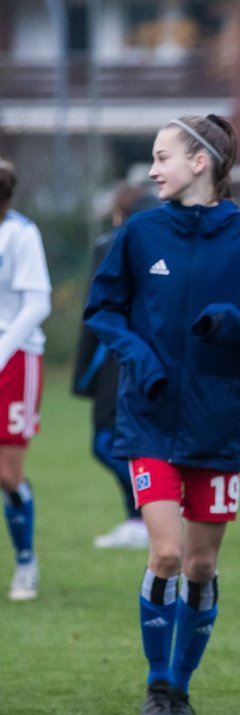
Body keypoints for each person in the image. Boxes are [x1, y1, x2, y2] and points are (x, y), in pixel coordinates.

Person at [84, 115, 240, 715]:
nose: (152, 170)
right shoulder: (141, 233)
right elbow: (103, 310)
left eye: (161, 156)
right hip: (148, 419)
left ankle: (181, 688)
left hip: (218, 426)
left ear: (200, 162)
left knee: (201, 567)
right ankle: (156, 685)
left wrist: (232, 321)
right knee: (168, 554)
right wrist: (139, 358)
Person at [72, 184, 160, 551]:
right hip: (155, 357)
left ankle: (149, 514)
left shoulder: (111, 243)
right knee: (129, 443)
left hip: (116, 356)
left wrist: (83, 374)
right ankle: (141, 517)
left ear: (118, 213)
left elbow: (96, 312)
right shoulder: (163, 238)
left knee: (107, 442)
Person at [0, 158, 52, 602]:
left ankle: (25, 563)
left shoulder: (20, 234)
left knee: (7, 473)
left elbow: (37, 304)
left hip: (15, 358)